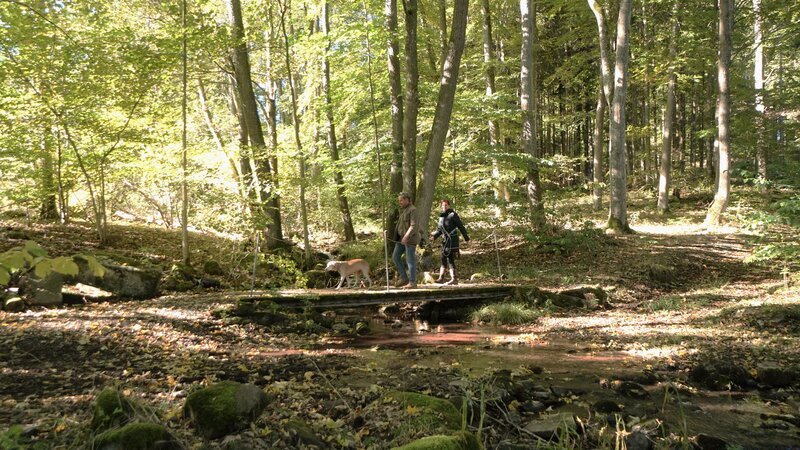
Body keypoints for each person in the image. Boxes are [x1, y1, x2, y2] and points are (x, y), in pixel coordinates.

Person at [430, 199, 469, 285]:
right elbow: (439, 230)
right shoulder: (441, 217)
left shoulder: (453, 215)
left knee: (450, 259)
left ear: (449, 206)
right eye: (443, 206)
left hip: (452, 240)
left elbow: (460, 226)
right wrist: (434, 237)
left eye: (446, 205)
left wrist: (466, 238)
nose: (444, 207)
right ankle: (441, 278)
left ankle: (454, 279)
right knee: (443, 258)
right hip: (444, 241)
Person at [392, 192, 419, 289]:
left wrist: (406, 236)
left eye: (402, 200)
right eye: (399, 200)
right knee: (395, 257)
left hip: (410, 239)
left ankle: (412, 282)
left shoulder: (413, 210)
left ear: (408, 200)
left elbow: (413, 226)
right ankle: (404, 278)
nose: (400, 202)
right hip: (401, 239)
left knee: (410, 260)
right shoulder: (404, 210)